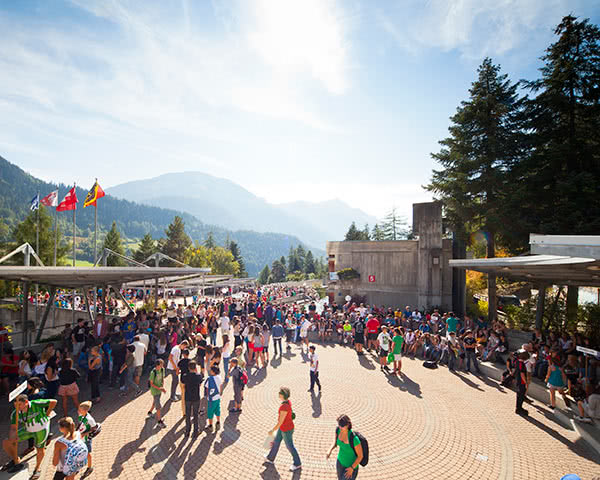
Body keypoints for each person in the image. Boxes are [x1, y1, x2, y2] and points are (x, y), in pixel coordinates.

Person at [2, 394, 57, 478]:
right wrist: (12, 437)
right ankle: (16, 459)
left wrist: (47, 413)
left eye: (19, 405)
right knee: (6, 442)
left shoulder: (36, 403)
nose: (17, 407)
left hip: (41, 429)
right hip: (28, 429)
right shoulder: (15, 414)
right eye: (15, 405)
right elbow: (13, 428)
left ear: (27, 402)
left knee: (40, 449)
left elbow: (53, 402)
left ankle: (37, 468)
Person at [264, 386, 302, 472]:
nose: (278, 394)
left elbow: (280, 422)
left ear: (282, 395)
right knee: (276, 442)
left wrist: (272, 430)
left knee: (290, 446)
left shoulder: (284, 407)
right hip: (284, 428)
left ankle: (297, 463)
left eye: (279, 393)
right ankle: (270, 458)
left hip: (286, 429)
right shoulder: (287, 402)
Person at [326, 414, 363, 480]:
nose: (340, 427)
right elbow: (335, 443)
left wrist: (352, 468)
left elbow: (360, 456)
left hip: (351, 467)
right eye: (339, 425)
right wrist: (330, 450)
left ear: (347, 425)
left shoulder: (354, 439)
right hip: (339, 463)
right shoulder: (338, 430)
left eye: (342, 426)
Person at [182, 361, 203, 437]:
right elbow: (200, 384)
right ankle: (195, 431)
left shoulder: (185, 375)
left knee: (187, 414)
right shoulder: (198, 376)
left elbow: (183, 385)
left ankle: (187, 431)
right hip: (196, 397)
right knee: (195, 414)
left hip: (187, 397)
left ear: (188, 368)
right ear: (195, 367)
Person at [76, 401, 97, 478]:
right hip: (80, 438)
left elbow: (94, 428)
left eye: (80, 409)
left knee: (88, 454)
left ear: (85, 410)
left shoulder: (89, 419)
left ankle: (89, 467)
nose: (78, 411)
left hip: (86, 439)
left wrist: (85, 433)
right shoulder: (80, 415)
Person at [148, 359, 167, 428]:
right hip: (155, 391)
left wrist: (162, 387)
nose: (162, 366)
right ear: (157, 365)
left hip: (159, 390)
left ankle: (149, 412)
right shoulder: (153, 372)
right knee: (158, 406)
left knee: (155, 401)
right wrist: (159, 388)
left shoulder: (162, 370)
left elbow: (162, 378)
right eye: (161, 364)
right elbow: (151, 383)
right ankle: (159, 421)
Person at [205, 365, 223, 432]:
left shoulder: (209, 379)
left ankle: (210, 425)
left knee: (210, 412)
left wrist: (207, 396)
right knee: (217, 410)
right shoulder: (219, 377)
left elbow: (207, 388)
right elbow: (221, 386)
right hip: (217, 397)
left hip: (211, 399)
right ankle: (218, 422)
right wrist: (220, 393)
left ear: (213, 372)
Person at [515, 349, 529, 416]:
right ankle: (519, 408)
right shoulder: (521, 364)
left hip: (518, 381)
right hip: (522, 382)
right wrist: (526, 382)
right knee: (521, 395)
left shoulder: (517, 362)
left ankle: (518, 408)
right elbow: (522, 374)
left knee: (519, 395)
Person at [178, 349, 190, 417]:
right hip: (189, 381)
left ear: (183, 354)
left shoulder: (181, 362)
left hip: (182, 380)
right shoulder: (191, 361)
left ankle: (184, 412)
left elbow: (177, 370)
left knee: (183, 396)